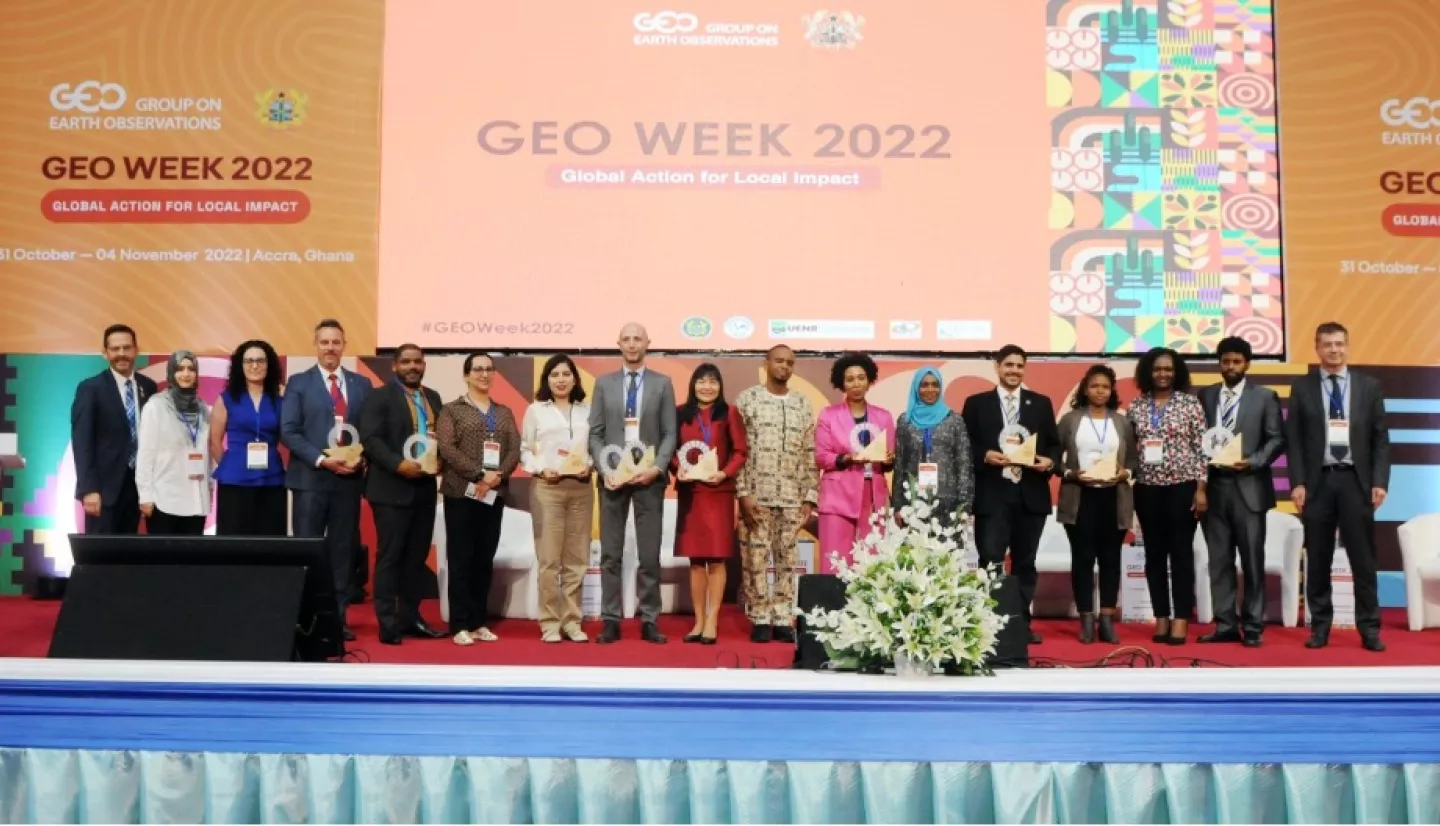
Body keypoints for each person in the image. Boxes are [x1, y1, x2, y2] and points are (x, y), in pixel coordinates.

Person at [1286, 322, 1390, 652]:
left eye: (1340, 344)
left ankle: (1370, 629)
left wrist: (1379, 481)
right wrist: (1298, 482)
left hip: (1356, 482)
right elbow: (1295, 441)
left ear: (1348, 346)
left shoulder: (1369, 386)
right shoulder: (1301, 388)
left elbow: (1380, 439)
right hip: (1317, 483)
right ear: (1317, 348)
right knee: (1317, 559)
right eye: (1328, 344)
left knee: (1363, 560)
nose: (1334, 350)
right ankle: (1320, 627)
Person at [281, 319, 372, 641]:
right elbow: (289, 430)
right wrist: (322, 459)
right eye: (324, 342)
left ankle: (339, 618)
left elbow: (370, 432)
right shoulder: (298, 383)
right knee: (307, 551)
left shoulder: (361, 385)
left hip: (348, 482)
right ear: (315, 345)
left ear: (344, 345)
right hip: (311, 480)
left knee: (342, 552)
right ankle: (304, 618)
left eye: (336, 342)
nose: (330, 348)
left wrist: (361, 459)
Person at [961, 345, 1059, 644]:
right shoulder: (977, 404)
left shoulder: (1040, 404)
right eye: (1009, 365)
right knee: (990, 560)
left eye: (1019, 366)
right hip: (993, 494)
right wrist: (985, 454)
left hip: (1030, 495)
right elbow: (966, 446)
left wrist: (1049, 461)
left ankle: (1020, 624)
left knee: (1025, 563)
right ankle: (988, 624)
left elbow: (1053, 445)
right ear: (997, 367)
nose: (1014, 371)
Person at [588, 322, 677, 644]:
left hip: (648, 480)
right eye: (626, 339)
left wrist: (656, 467)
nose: (631, 343)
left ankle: (650, 618)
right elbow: (595, 433)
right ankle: (610, 618)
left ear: (647, 343)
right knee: (610, 554)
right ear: (618, 344)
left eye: (637, 338)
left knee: (649, 554)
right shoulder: (604, 384)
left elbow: (670, 433)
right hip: (613, 478)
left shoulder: (662, 384)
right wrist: (604, 467)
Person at [1198, 336, 1285, 647]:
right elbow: (1199, 442)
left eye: (1237, 361)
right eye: (1225, 361)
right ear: (1219, 364)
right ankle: (1224, 625)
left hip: (1249, 487)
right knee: (1219, 561)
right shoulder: (1205, 396)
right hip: (1215, 487)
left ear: (1247, 364)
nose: (1231, 366)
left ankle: (1252, 627)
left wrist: (1252, 462)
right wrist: (1201, 487)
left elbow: (1276, 440)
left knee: (1251, 561)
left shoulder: (1265, 396)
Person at [360, 344, 447, 645]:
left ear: (424, 365)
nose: (413, 366)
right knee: (391, 558)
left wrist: (440, 463)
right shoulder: (379, 396)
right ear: (394, 366)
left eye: (418, 362)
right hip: (390, 490)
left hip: (424, 489)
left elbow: (440, 438)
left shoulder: (432, 397)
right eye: (406, 362)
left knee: (415, 560)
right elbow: (371, 439)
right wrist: (399, 464)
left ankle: (410, 618)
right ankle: (387, 623)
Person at [734, 345, 818, 644]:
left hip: (792, 497)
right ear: (766, 363)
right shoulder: (748, 400)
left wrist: (809, 496)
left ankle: (783, 616)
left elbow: (809, 452)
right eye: (779, 361)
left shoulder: (802, 404)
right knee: (754, 559)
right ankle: (759, 616)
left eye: (790, 363)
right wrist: (742, 492)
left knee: (787, 559)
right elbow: (738, 450)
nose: (784, 367)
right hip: (756, 496)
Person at [437, 353, 521, 645]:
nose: (484, 374)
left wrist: (497, 476)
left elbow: (514, 448)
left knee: (484, 558)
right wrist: (478, 474)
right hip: (461, 492)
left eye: (489, 369)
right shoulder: (451, 410)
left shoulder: (504, 412)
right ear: (466, 375)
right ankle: (459, 623)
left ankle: (478, 621)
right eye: (478, 369)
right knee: (461, 558)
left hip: (493, 494)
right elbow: (447, 448)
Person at [1128, 347, 1208, 646]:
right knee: (1154, 556)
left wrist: (1201, 489)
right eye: (1157, 369)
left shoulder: (1190, 404)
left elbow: (1202, 450)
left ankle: (1181, 620)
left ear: (1177, 372)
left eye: (1169, 369)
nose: (1163, 374)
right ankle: (1161, 616)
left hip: (1182, 485)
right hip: (1147, 487)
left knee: (1181, 555)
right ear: (1148, 372)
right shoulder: (1136, 406)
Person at [1056, 365, 1136, 644]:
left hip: (1114, 498)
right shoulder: (1069, 420)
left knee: (1111, 560)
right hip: (1080, 497)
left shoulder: (1122, 422)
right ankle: (1086, 620)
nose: (1100, 391)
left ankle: (1107, 620)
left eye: (1105, 386)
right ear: (1085, 389)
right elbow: (1054, 458)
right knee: (1082, 560)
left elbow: (1134, 461)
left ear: (1112, 390)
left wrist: (1125, 473)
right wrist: (1070, 473)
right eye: (1094, 386)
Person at [671, 364, 747, 644]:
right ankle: (698, 621)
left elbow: (740, 451)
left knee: (716, 559)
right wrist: (677, 468)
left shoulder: (729, 413)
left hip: (719, 492)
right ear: (693, 385)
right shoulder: (680, 413)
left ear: (720, 386)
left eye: (713, 382)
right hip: (691, 493)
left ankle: (712, 622)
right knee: (695, 561)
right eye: (701, 381)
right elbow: (670, 449)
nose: (707, 387)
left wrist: (724, 473)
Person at [522, 354, 595, 643]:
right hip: (547, 488)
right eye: (555, 375)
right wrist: (542, 468)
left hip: (581, 488)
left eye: (566, 374)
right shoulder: (536, 410)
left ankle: (572, 621)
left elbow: (595, 447)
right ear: (547, 380)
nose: (561, 380)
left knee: (577, 559)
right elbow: (525, 450)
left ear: (575, 378)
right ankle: (550, 622)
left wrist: (590, 464)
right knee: (549, 559)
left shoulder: (587, 410)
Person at [71, 324, 158, 533]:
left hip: (139, 488)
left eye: (127, 348)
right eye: (115, 349)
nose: (121, 354)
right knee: (99, 558)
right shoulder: (90, 389)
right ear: (105, 353)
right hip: (103, 491)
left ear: (136, 350)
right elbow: (82, 443)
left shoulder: (149, 387)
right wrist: (89, 489)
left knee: (128, 556)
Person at [815, 352, 895, 573]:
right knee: (835, 559)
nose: (856, 383)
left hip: (873, 496)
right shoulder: (828, 415)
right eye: (850, 379)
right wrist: (844, 459)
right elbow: (821, 457)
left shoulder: (884, 416)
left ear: (870, 381)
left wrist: (889, 461)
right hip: (837, 495)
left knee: (873, 561)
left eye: (861, 377)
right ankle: (831, 606)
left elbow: (888, 459)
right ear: (841, 383)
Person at [210, 340, 287, 536]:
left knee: (270, 541)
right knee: (234, 542)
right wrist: (234, 464)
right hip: (235, 481)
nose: (255, 366)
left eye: (261, 361)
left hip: (272, 479)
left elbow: (289, 434)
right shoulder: (226, 398)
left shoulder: (280, 396)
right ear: (240, 365)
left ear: (269, 365)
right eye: (249, 361)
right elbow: (214, 441)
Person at [135, 350, 212, 535]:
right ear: (171, 373)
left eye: (191, 369)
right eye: (180, 369)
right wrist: (145, 496)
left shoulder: (202, 407)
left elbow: (206, 453)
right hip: (165, 500)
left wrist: (209, 487)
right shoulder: (156, 406)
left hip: (197, 499)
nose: (186, 374)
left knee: (192, 561)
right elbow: (146, 453)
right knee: (164, 561)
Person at [891, 367, 974, 527]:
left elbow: (964, 465)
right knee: (914, 550)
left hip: (948, 503)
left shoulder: (954, 420)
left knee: (947, 551)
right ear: (916, 388)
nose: (930, 389)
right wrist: (898, 505)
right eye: (924, 385)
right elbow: (900, 464)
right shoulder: (905, 421)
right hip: (913, 501)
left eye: (935, 385)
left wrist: (964, 506)